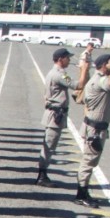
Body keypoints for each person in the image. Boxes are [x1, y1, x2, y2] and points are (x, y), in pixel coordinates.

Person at [76, 54, 110, 208]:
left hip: (97, 127)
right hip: (94, 129)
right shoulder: (100, 80)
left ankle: (84, 191)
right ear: (104, 65)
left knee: (91, 161)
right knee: (88, 162)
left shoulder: (99, 78)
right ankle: (80, 194)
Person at [39, 48, 74, 186]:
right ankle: (42, 176)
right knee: (49, 145)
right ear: (60, 59)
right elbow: (76, 85)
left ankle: (43, 174)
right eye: (67, 58)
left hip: (55, 114)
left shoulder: (56, 73)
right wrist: (84, 69)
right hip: (55, 115)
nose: (69, 60)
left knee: (49, 145)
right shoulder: (59, 74)